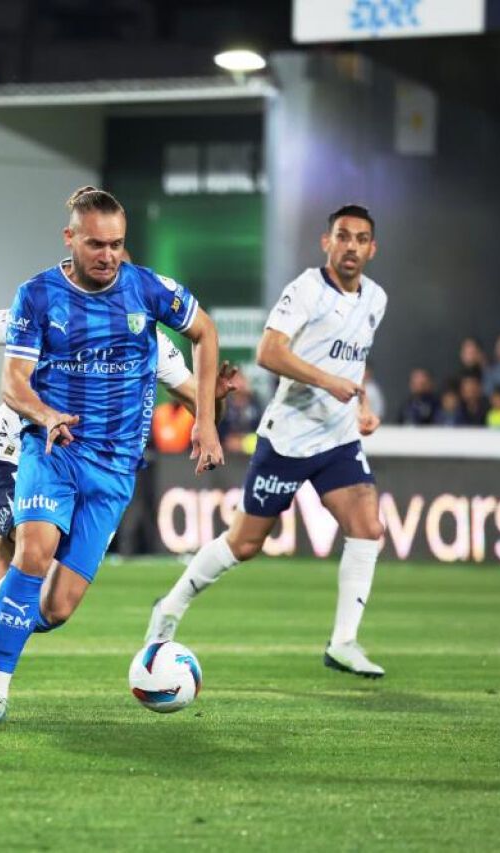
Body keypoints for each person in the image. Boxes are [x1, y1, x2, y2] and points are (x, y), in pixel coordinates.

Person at [0, 186, 223, 724]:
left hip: (115, 468)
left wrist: (208, 422)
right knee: (33, 552)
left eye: (117, 245)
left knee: (57, 608)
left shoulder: (147, 292)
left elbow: (205, 330)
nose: (108, 256)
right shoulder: (37, 297)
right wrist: (45, 415)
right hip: (51, 449)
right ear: (70, 238)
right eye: (97, 244)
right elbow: (12, 382)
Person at [0, 307, 238, 714]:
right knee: (35, 552)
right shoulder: (53, 309)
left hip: (87, 472)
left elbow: (204, 410)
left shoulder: (153, 343)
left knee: (54, 608)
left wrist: (214, 402)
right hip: (14, 456)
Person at [145, 203, 388, 679]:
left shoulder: (376, 299)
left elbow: (353, 362)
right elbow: (269, 352)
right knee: (244, 543)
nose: (351, 246)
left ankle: (343, 642)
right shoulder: (307, 290)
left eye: (361, 239)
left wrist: (359, 406)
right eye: (343, 236)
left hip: (338, 438)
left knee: (367, 526)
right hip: (289, 438)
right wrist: (327, 382)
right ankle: (171, 605)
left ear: (372, 249)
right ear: (327, 242)